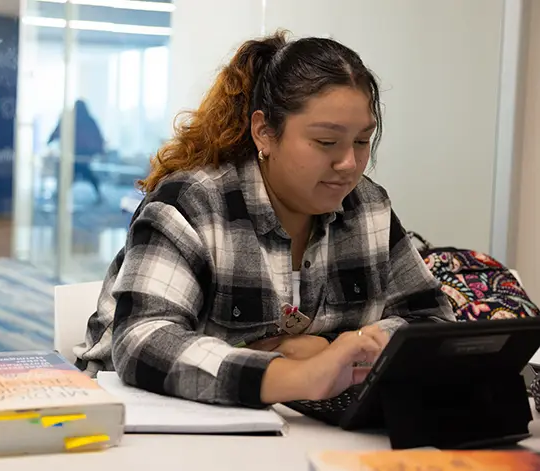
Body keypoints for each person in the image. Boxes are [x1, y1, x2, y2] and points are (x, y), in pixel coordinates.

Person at [73, 31, 456, 408]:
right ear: (264, 133)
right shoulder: (192, 204)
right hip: (147, 423)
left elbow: (431, 321)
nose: (349, 164)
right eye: (326, 142)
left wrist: (340, 349)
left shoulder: (368, 207)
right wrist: (296, 375)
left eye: (361, 141)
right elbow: (143, 339)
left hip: (302, 426)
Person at [48, 99, 105, 203]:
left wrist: (50, 140)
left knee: (77, 173)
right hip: (77, 152)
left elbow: (97, 136)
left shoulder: (80, 120)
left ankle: (61, 192)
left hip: (80, 152)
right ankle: (62, 192)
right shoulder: (81, 120)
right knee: (80, 173)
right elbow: (98, 137)